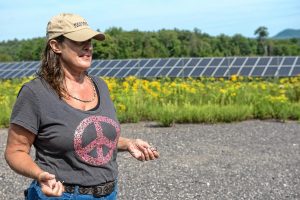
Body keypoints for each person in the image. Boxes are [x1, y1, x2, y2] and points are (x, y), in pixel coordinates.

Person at [4, 13, 159, 200]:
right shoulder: (35, 93)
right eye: (79, 41)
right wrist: (39, 174)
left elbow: (89, 137)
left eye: (90, 41)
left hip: (108, 194)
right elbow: (15, 151)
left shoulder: (100, 86)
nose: (88, 47)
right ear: (55, 46)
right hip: (60, 195)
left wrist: (128, 143)